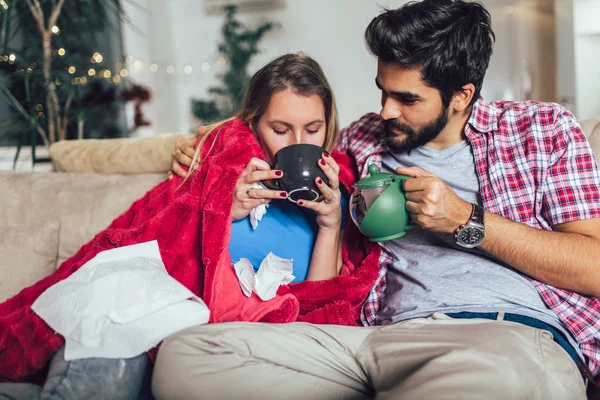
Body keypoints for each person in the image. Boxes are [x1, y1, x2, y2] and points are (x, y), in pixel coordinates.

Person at [156, 1, 600, 399]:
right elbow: (287, 130)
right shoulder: (364, 139)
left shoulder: (542, 130)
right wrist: (213, 145)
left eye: (406, 98)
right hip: (371, 342)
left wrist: (465, 219)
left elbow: (594, 267)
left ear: (462, 95)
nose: (386, 110)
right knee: (187, 359)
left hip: (497, 333)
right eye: (382, 90)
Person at [0, 53, 383, 399]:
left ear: (327, 125)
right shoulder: (220, 163)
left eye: (312, 129)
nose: (298, 142)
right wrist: (222, 209)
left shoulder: (338, 193)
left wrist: (330, 225)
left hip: (218, 350)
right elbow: (159, 240)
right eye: (280, 129)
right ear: (253, 122)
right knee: (108, 372)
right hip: (138, 311)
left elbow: (315, 307)